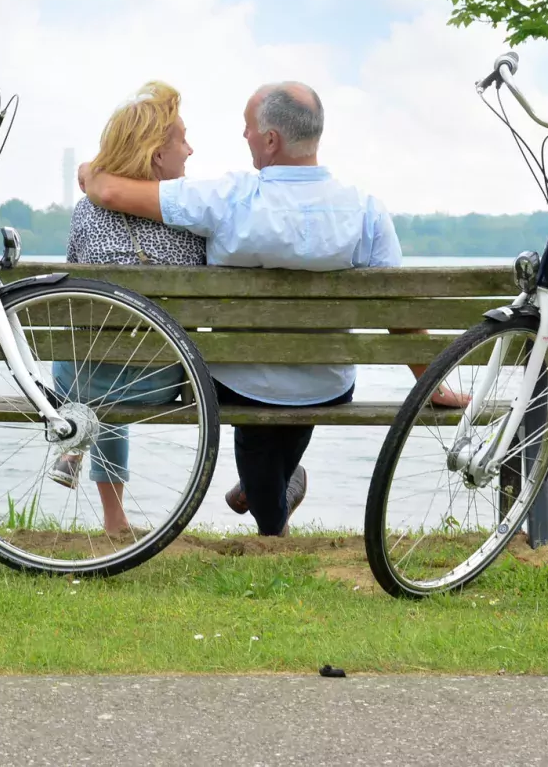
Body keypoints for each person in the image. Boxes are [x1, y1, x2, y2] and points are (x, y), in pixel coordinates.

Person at [80, 81, 445, 537]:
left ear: (271, 140)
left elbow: (112, 194)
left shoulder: (227, 199)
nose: (245, 137)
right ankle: (273, 488)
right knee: (284, 427)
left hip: (238, 386)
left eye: (248, 129)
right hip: (327, 385)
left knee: (264, 478)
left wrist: (88, 174)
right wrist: (431, 381)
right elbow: (400, 312)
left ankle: (273, 525)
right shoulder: (366, 210)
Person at [50, 81, 204, 535]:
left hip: (85, 378)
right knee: (126, 356)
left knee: (97, 360)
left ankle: (90, 468)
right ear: (157, 154)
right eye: (182, 140)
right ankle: (114, 515)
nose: (191, 150)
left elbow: (70, 294)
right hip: (161, 384)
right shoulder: (189, 217)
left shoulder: (85, 212)